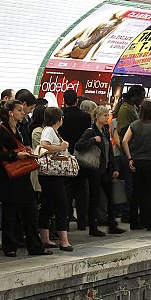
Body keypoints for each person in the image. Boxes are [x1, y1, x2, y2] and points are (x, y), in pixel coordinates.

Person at [0, 101, 50, 257]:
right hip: (9, 177)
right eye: (19, 110)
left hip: (22, 175)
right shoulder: (0, 130)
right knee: (10, 213)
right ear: (11, 112)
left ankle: (34, 246)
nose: (23, 112)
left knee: (31, 211)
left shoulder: (21, 129)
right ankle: (10, 246)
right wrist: (14, 155)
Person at [77, 105, 125, 236]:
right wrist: (93, 140)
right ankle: (93, 227)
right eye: (104, 115)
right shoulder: (91, 131)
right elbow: (79, 146)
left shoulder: (105, 130)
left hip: (105, 169)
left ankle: (112, 224)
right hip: (94, 169)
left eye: (107, 115)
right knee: (95, 198)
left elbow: (109, 150)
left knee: (110, 197)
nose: (107, 117)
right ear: (97, 117)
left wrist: (114, 167)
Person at [122, 100, 151, 231]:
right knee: (150, 193)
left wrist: (130, 158)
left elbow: (124, 141)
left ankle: (134, 222)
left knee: (136, 193)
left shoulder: (134, 125)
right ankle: (150, 222)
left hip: (137, 161)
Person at [37, 107, 73, 251]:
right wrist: (61, 147)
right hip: (52, 175)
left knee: (47, 205)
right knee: (61, 205)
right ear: (58, 119)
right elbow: (44, 146)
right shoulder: (49, 130)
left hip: (51, 175)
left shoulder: (51, 130)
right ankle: (64, 240)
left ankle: (45, 238)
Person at [58, 89, 92, 230]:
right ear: (77, 100)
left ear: (64, 100)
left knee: (66, 189)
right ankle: (82, 221)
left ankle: (65, 219)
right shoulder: (85, 117)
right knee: (81, 189)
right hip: (80, 155)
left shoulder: (61, 116)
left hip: (65, 155)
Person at [115, 85, 145, 228]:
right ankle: (127, 211)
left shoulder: (133, 108)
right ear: (135, 96)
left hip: (134, 150)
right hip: (128, 151)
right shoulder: (126, 109)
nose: (143, 99)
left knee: (133, 183)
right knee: (129, 183)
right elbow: (122, 130)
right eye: (141, 96)